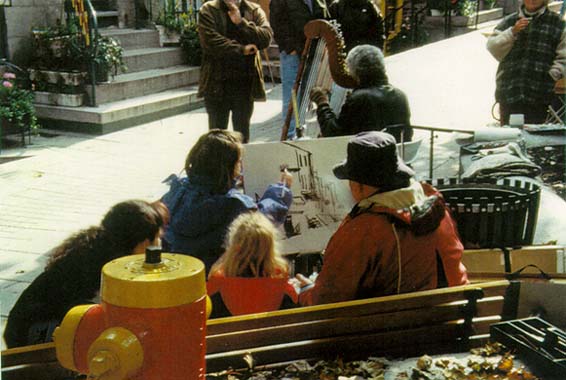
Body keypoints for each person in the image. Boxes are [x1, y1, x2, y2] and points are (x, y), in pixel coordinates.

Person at [297, 131, 468, 306]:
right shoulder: (436, 211)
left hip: (394, 330)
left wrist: (305, 291)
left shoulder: (364, 230)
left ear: (359, 186)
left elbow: (326, 300)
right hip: (451, 319)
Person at [3, 200, 167, 348]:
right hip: (30, 336)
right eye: (157, 238)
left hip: (25, 328)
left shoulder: (99, 247)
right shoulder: (107, 267)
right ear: (144, 242)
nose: (160, 244)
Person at [161, 129, 293, 274]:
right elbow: (262, 221)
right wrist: (281, 191)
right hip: (215, 277)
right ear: (229, 168)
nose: (241, 167)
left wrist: (233, 181)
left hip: (178, 274)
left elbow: (206, 188)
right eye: (238, 164)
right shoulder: (234, 204)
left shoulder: (176, 192)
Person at [197, 0, 273, 143]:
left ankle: (240, 165)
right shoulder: (208, 10)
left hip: (244, 84)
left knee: (242, 134)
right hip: (217, 82)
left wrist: (241, 23)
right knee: (217, 137)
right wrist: (241, 50)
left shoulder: (254, 10)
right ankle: (217, 165)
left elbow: (266, 38)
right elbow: (210, 41)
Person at [310, 45, 413, 142]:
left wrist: (322, 102)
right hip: (397, 156)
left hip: (369, 158)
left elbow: (332, 134)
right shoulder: (400, 95)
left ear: (355, 71)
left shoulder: (359, 98)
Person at [486, 0, 566, 125]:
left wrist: (552, 75)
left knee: (533, 138)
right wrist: (512, 32)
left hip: (539, 92)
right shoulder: (510, 21)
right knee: (508, 136)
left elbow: (563, 56)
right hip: (509, 90)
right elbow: (492, 47)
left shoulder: (558, 24)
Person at [207, 212, 298, 318]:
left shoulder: (217, 287)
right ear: (270, 249)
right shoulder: (282, 288)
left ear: (234, 246)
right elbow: (294, 300)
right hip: (271, 334)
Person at [270, 0, 330, 140]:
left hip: (314, 52)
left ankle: (303, 130)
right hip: (294, 53)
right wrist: (290, 48)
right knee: (292, 95)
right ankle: (292, 134)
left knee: (309, 93)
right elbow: (277, 24)